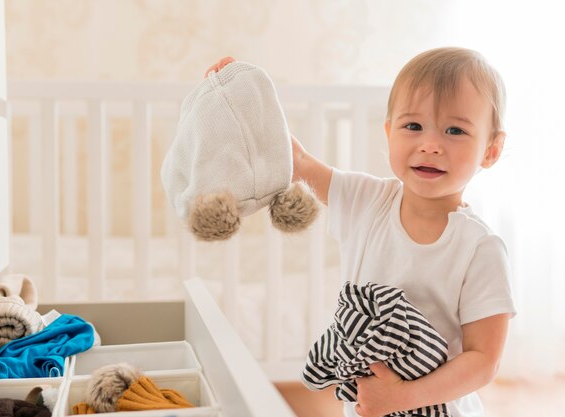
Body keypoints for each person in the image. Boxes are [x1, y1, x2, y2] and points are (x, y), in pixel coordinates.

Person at [206, 47, 516, 417]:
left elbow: (483, 361)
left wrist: (404, 397)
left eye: (455, 130)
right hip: (367, 406)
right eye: (413, 126)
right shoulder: (368, 200)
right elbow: (297, 162)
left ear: (491, 150)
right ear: (388, 133)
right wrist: (243, 98)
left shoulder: (480, 248)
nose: (430, 144)